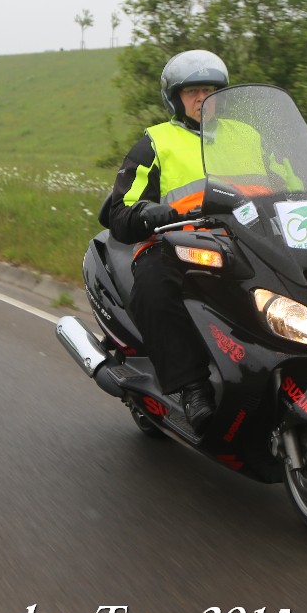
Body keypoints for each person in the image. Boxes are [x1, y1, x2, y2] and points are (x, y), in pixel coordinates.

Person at [103, 50, 228, 434]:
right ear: (175, 98)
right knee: (154, 286)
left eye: (209, 91)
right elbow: (119, 211)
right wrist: (149, 213)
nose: (201, 99)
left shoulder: (248, 139)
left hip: (239, 244)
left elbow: (290, 183)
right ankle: (191, 387)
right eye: (192, 92)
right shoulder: (157, 143)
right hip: (176, 248)